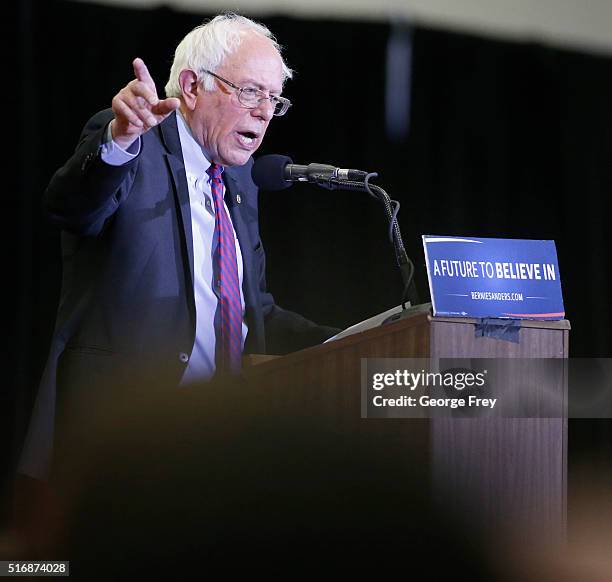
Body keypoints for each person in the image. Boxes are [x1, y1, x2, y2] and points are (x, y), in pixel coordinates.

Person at [18, 13, 338, 481]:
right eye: (250, 92)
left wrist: (352, 342)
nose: (265, 112)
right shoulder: (133, 140)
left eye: (274, 99)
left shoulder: (240, 179)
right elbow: (71, 209)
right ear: (191, 86)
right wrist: (119, 141)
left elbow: (253, 312)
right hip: (123, 430)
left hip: (221, 439)